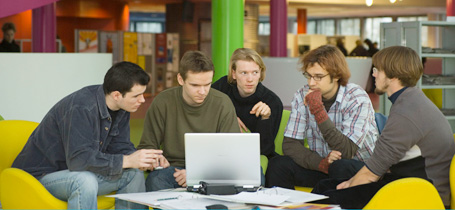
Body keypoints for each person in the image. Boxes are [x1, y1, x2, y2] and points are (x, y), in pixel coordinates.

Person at [313, 46, 455, 209]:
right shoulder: (411, 100)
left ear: (392, 75)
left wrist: (346, 186)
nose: (373, 74)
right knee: (325, 188)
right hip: (412, 184)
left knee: (326, 197)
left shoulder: (406, 112)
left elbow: (372, 173)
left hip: (424, 195)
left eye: (377, 70)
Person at [12, 62, 162, 209]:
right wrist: (127, 160)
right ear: (116, 95)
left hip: (73, 174)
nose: (142, 100)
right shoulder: (81, 107)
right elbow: (78, 160)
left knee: (134, 174)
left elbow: (120, 146)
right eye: (137, 95)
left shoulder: (122, 107)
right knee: (84, 180)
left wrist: (144, 159)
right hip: (39, 178)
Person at [265, 45, 378, 189]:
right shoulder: (303, 94)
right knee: (278, 164)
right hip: (323, 166)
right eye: (309, 76)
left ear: (336, 75)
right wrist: (320, 163)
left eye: (318, 77)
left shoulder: (356, 98)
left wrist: (318, 110)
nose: (311, 83)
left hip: (359, 170)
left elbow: (347, 150)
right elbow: (290, 145)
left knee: (339, 166)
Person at [138, 50, 240, 191]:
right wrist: (155, 157)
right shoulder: (163, 101)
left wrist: (197, 174)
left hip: (213, 168)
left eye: (207, 84)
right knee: (156, 180)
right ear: (181, 80)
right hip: (174, 169)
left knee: (256, 175)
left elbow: (231, 153)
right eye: (195, 85)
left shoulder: (223, 103)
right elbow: (148, 144)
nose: (203, 91)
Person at [212, 48, 283, 159]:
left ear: (260, 73)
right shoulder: (222, 87)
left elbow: (265, 150)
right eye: (244, 73)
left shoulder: (272, 102)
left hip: (253, 157)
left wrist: (265, 118)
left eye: (255, 72)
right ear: (234, 74)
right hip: (221, 152)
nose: (250, 79)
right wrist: (228, 117)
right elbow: (201, 108)